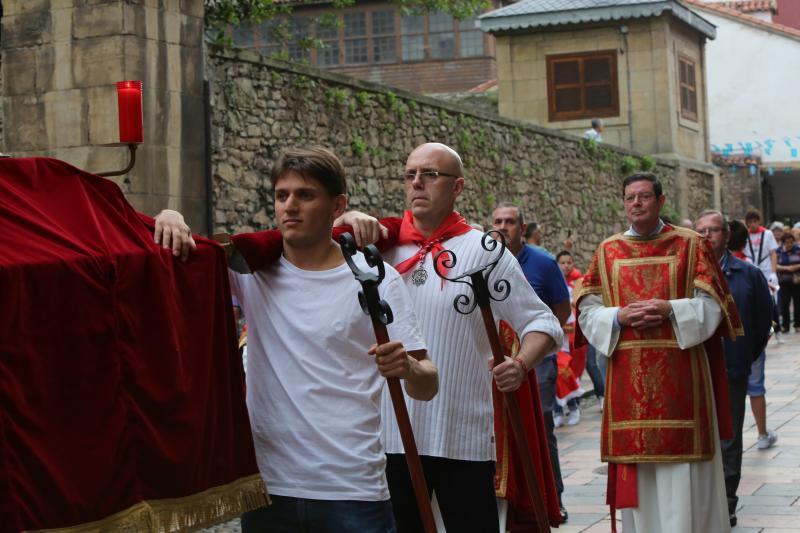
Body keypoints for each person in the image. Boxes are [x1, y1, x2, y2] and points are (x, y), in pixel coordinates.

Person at [154, 147, 439, 532]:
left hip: (352, 490)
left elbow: (428, 383)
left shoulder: (375, 278)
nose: (290, 206)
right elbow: (180, 263)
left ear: (337, 205)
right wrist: (170, 216)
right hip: (269, 489)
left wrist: (406, 367)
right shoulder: (252, 273)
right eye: (281, 195)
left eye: (305, 195)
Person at [337, 143, 564, 532]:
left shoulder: (484, 251)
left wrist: (521, 363)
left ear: (457, 187)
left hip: (460, 432)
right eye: (410, 175)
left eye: (430, 175)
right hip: (388, 434)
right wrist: (348, 219)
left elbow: (543, 323)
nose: (417, 183)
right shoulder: (379, 249)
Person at [576, 172, 741, 533]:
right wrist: (618, 315)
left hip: (682, 386)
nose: (636, 203)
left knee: (685, 484)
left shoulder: (691, 245)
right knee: (644, 486)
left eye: (644, 197)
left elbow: (714, 307)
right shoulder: (608, 251)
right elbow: (586, 311)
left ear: (661, 201)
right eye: (630, 198)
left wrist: (672, 310)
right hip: (628, 393)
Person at [491, 203, 572, 522]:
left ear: (522, 228)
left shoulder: (543, 261)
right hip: (497, 361)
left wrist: (535, 348)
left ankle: (552, 495)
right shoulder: (482, 258)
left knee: (542, 422)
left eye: (510, 222)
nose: (503, 226)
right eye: (497, 221)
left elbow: (560, 308)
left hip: (535, 358)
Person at [695, 210, 773, 527]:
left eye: (714, 230)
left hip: (732, 368)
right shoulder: (684, 273)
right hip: (693, 369)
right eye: (701, 230)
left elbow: (762, 321)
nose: (707, 236)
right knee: (697, 436)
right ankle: (699, 499)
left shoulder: (748, 274)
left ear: (727, 234)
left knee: (729, 437)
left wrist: (743, 356)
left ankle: (727, 501)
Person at [556, 250, 605, 409]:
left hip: (581, 329)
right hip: (564, 332)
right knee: (565, 367)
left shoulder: (578, 280)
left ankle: (602, 396)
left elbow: (577, 302)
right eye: (562, 263)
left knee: (590, 363)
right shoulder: (554, 281)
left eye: (569, 262)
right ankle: (572, 403)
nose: (566, 266)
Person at [776, 232, 800, 333]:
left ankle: (797, 325)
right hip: (784, 282)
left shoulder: (798, 250)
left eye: (791, 242)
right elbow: (775, 265)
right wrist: (787, 268)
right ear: (783, 243)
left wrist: (795, 267)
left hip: (797, 281)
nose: (789, 244)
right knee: (784, 304)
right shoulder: (778, 251)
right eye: (787, 242)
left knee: (798, 304)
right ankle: (785, 326)